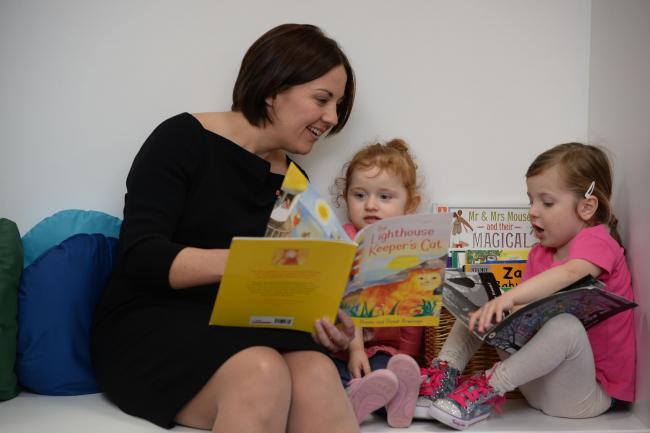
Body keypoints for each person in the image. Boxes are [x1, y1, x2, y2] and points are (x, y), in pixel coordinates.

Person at [91, 24, 360, 433]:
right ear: (273, 89)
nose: (332, 118)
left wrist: (322, 319)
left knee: (318, 373)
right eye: (322, 99)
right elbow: (141, 256)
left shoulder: (295, 183)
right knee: (262, 371)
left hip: (237, 326)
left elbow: (276, 294)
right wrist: (245, 263)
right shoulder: (182, 138)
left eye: (338, 105)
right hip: (149, 322)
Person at [419, 142, 636, 430]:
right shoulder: (540, 254)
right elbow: (524, 316)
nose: (533, 211)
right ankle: (442, 376)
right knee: (482, 309)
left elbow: (570, 272)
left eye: (546, 203)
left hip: (585, 396)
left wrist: (509, 298)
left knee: (565, 326)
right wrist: (498, 308)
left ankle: (486, 388)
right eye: (530, 200)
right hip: (536, 384)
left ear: (586, 207)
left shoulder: (598, 239)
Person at [330, 139, 424, 427]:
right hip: (343, 347)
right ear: (346, 197)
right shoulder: (342, 241)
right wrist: (355, 349)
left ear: (410, 204)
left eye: (384, 197)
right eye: (360, 195)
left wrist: (407, 356)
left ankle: (392, 401)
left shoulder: (412, 248)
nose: (370, 205)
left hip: (385, 349)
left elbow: (414, 313)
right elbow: (345, 299)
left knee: (389, 374)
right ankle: (355, 397)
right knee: (331, 374)